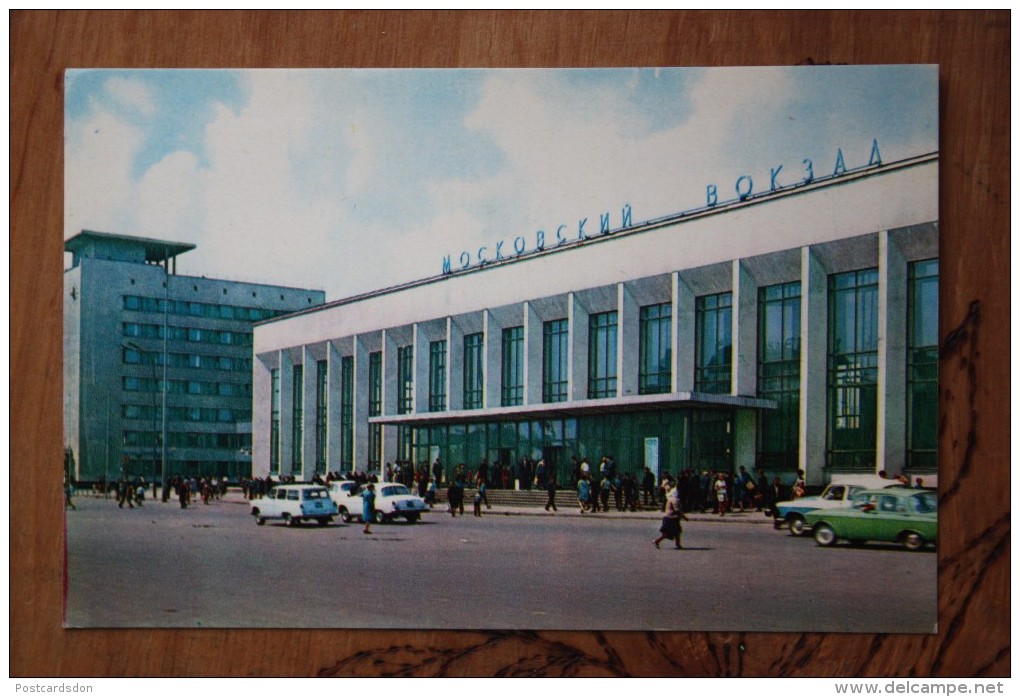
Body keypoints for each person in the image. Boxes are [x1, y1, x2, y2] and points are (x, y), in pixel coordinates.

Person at [653, 480, 688, 549]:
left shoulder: (670, 499)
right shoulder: (675, 500)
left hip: (672, 518)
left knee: (677, 532)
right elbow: (677, 510)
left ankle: (678, 545)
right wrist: (684, 517)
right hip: (670, 518)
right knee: (667, 534)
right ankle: (656, 541)